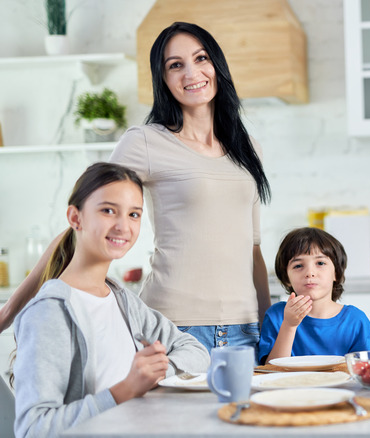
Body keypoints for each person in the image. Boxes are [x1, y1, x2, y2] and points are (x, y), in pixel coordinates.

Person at [0, 22, 272, 362]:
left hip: (245, 330)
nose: (192, 73)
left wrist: (268, 327)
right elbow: (82, 227)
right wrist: (9, 311)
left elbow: (254, 250)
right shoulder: (145, 142)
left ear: (216, 65)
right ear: (163, 79)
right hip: (174, 328)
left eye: (201, 58)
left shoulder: (249, 149)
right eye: (175, 65)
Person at [12, 163, 209, 438]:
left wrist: (157, 373)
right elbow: (34, 429)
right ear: (75, 217)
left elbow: (196, 351)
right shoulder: (50, 313)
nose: (123, 226)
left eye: (134, 214)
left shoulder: (122, 301)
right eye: (108, 211)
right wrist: (126, 389)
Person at [259, 227, 370, 363]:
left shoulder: (356, 320)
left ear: (336, 273)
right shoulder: (277, 316)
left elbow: (368, 370)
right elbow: (271, 371)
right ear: (286, 278)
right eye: (298, 266)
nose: (310, 272)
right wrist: (289, 326)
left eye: (320, 263)